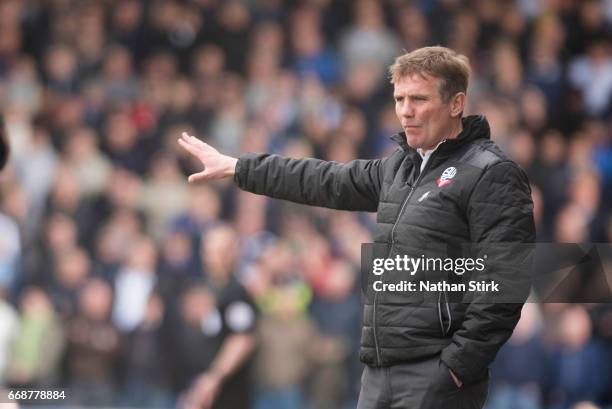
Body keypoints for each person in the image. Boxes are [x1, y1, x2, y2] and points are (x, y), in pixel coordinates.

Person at [178, 46, 535, 409]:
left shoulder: (492, 173)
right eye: (399, 99)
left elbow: (506, 281)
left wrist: (458, 366)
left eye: (418, 99)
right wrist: (239, 167)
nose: (405, 111)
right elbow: (323, 179)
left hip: (437, 376)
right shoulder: (399, 168)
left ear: (456, 103)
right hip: (379, 374)